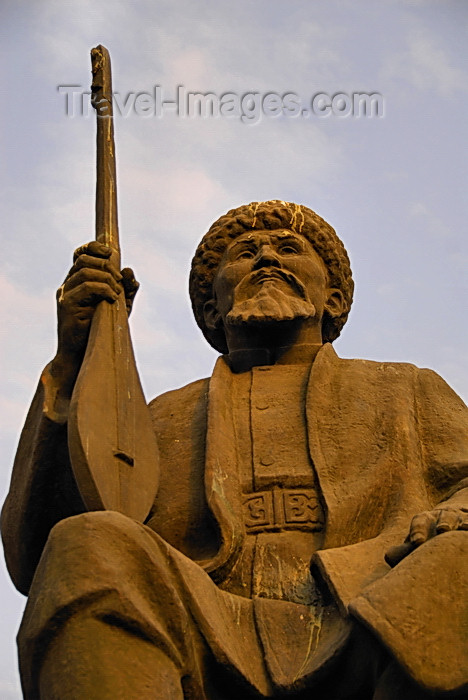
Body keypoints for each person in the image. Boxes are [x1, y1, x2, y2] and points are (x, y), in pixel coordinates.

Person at [2, 201, 467, 700]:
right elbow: (39, 554)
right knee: (89, 539)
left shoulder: (404, 389)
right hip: (205, 623)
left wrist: (455, 514)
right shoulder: (159, 418)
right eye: (245, 253)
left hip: (368, 613)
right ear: (211, 309)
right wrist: (73, 361)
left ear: (331, 298)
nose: (267, 258)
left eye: (289, 248)